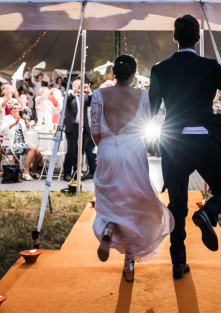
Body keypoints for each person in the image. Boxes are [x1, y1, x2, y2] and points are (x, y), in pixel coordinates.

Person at [149, 14, 221, 280]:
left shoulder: (160, 69)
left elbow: (151, 110)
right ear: (199, 38)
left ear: (174, 38)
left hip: (174, 142)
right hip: (204, 139)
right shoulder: (209, 67)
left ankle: (178, 264)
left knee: (176, 205)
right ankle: (207, 212)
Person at [92, 55, 174, 282]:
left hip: (107, 149)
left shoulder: (99, 95)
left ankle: (108, 228)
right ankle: (129, 261)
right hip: (133, 150)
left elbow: (95, 131)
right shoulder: (144, 96)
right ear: (134, 74)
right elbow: (150, 123)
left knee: (110, 199)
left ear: (113, 73)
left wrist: (108, 148)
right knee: (134, 205)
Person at [63, 79, 93, 180]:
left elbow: (92, 102)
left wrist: (88, 92)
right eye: (76, 85)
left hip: (83, 127)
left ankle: (76, 173)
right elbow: (65, 102)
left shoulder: (84, 96)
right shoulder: (69, 95)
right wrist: (74, 92)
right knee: (71, 150)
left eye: (80, 85)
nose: (78, 87)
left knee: (80, 151)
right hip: (72, 127)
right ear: (72, 86)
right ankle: (67, 173)